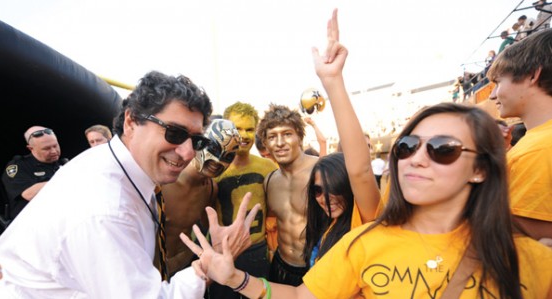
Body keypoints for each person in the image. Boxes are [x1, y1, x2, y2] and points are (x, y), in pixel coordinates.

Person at [180, 10, 552, 298]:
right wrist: (235, 278)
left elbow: (356, 172)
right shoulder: (368, 241)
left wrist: (333, 85)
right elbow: (299, 294)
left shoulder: (534, 263)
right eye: (407, 146)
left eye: (442, 149)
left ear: (481, 169)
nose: (416, 158)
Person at [0, 71, 259, 298]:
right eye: (173, 133)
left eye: (196, 141)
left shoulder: (117, 168)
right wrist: (206, 268)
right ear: (131, 121)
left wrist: (11, 256)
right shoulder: (107, 208)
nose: (186, 152)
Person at [487, 28, 552, 243]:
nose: (493, 94)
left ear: (533, 75)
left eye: (498, 82)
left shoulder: (538, 149)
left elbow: (524, 242)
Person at [209, 101, 278, 299]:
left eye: (249, 129)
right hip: (223, 251)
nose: (244, 135)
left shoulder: (268, 167)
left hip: (256, 250)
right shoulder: (213, 169)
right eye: (237, 128)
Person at [161, 118, 240, 277]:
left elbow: (209, 228)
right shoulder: (163, 183)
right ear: (197, 143)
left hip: (188, 266)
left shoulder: (211, 189)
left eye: (228, 157)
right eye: (213, 148)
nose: (218, 161)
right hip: (155, 270)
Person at [257, 103, 318, 286]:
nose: (280, 142)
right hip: (280, 266)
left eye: (287, 134)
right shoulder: (269, 181)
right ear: (265, 143)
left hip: (316, 268)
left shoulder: (320, 170)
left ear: (300, 137)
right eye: (272, 137)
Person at [2, 126, 65, 220]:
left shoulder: (63, 163)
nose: (53, 151)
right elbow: (28, 194)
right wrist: (65, 179)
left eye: (55, 145)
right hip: (31, 221)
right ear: (31, 148)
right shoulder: (19, 166)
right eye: (46, 148)